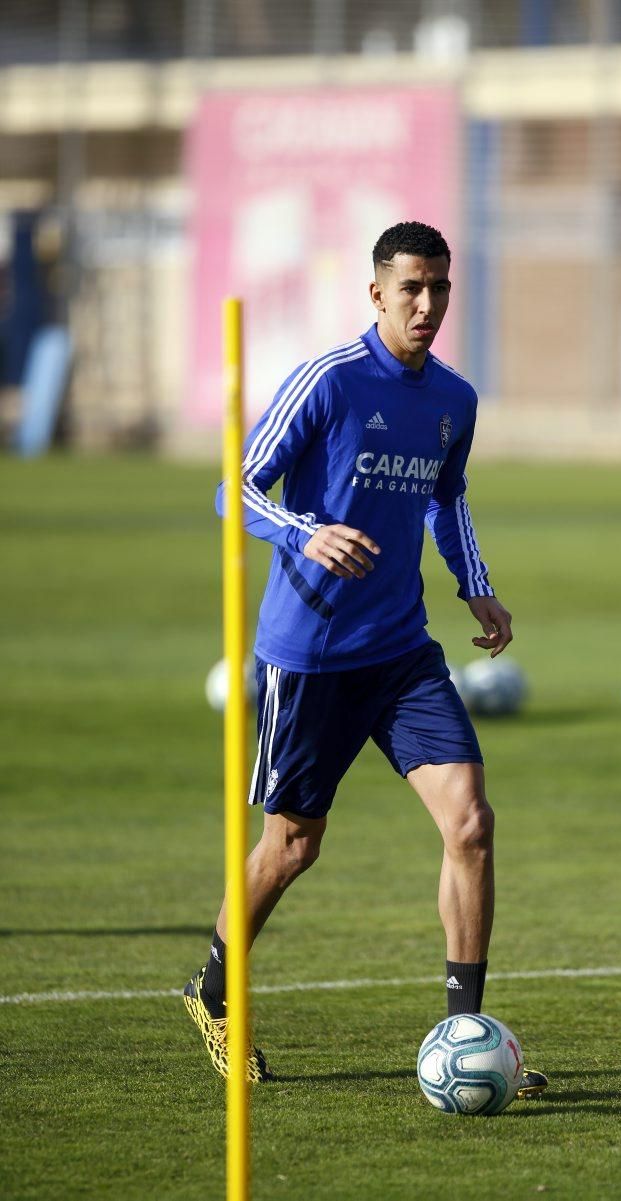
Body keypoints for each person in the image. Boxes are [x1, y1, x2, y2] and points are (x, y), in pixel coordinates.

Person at [183, 221, 547, 1099]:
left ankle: (467, 1028)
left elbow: (446, 498)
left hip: (400, 652)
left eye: (440, 289)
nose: (427, 305)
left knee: (470, 821)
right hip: (307, 655)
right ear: (377, 292)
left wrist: (475, 584)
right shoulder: (327, 381)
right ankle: (213, 994)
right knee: (293, 845)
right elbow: (234, 488)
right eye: (411, 288)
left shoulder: (454, 398)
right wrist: (308, 535)